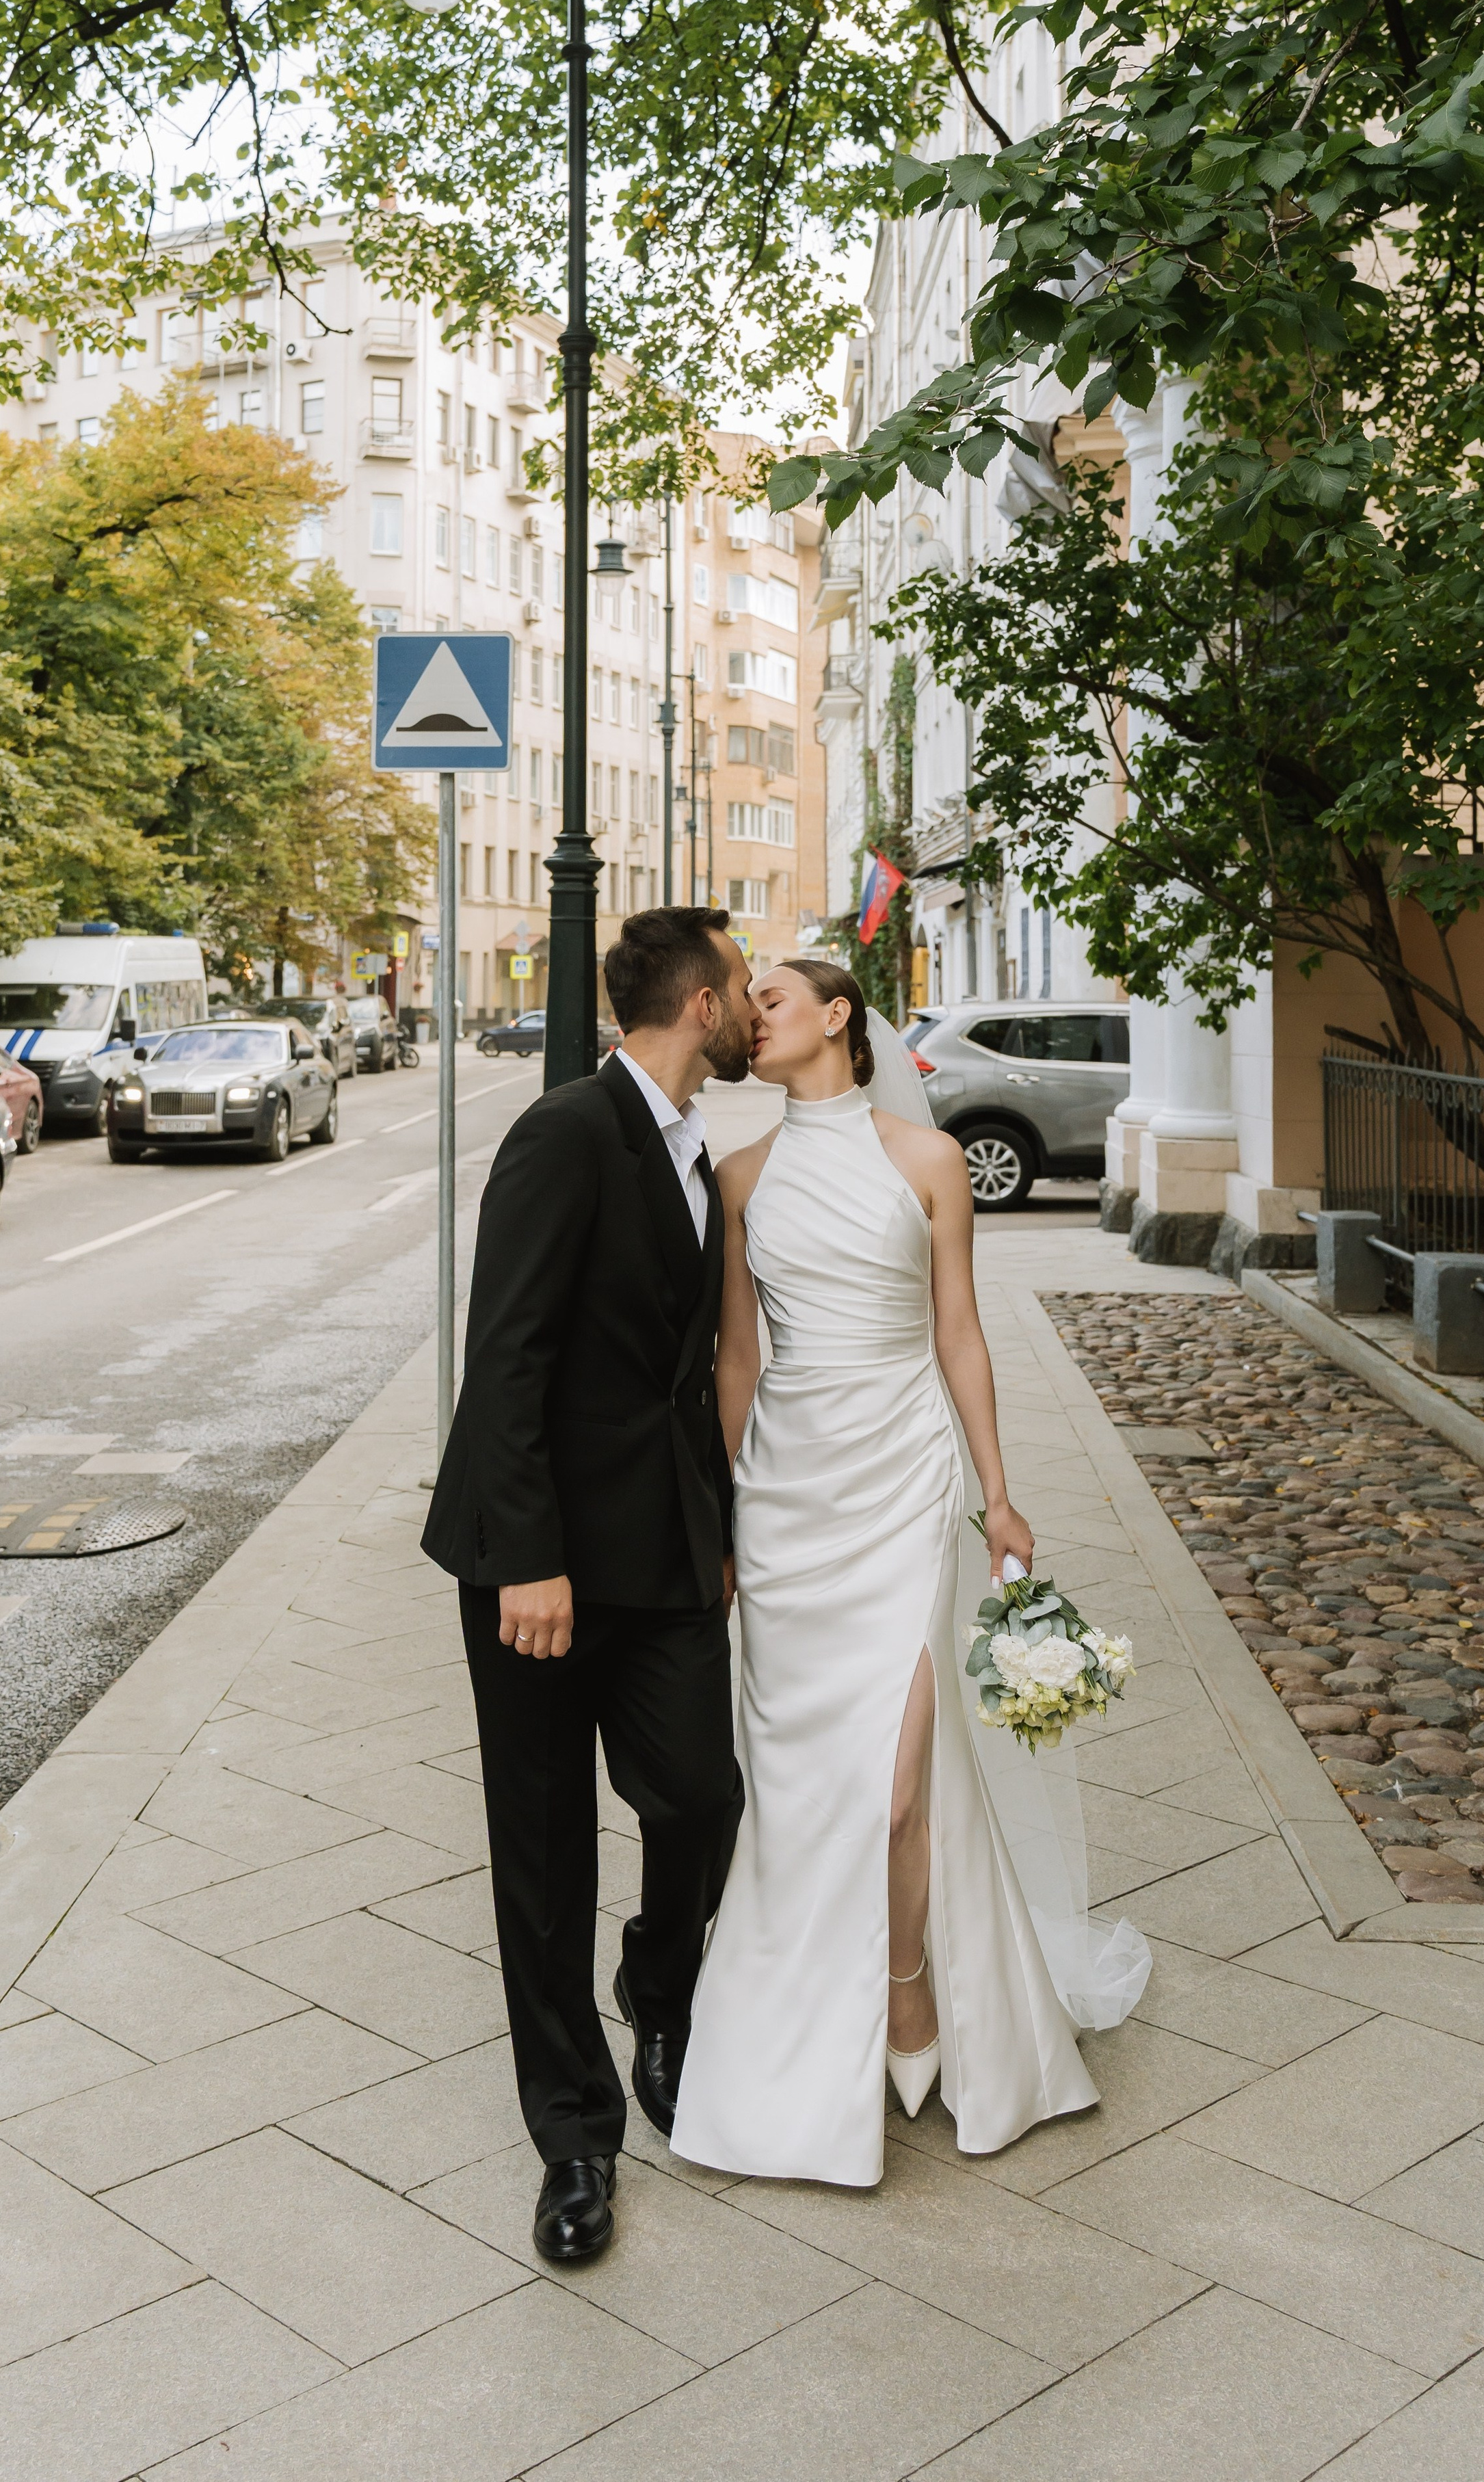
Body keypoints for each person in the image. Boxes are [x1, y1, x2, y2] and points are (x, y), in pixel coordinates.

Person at [670, 960, 1150, 2186]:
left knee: (895, 1788)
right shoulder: (740, 1177)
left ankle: (910, 1989)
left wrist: (999, 1493)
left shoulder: (927, 1162)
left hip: (900, 1485)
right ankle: (796, 2048)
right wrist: (721, 1517)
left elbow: (960, 1334)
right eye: (746, 1000)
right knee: (799, 1789)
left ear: (839, 1018)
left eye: (773, 995)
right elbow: (737, 1357)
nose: (751, 1011)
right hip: (786, 1501)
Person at [423, 906, 755, 2262]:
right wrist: (531, 1557)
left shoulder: (697, 1152)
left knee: (698, 1795)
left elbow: (682, 1382)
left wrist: (714, 1528)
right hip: (541, 1569)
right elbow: (500, 1357)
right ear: (696, 1000)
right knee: (545, 1850)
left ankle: (656, 1990)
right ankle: (572, 2138)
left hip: (667, 1552)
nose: (747, 1007)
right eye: (737, 987)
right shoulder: (565, 1131)